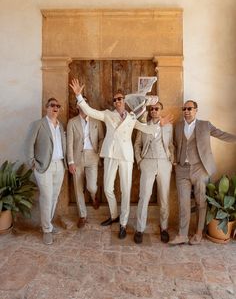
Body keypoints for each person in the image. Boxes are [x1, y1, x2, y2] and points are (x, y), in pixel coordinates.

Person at [70, 78, 173, 239]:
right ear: (113, 102)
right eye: (115, 99)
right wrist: (79, 96)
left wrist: (160, 124)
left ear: (124, 101)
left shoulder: (132, 117)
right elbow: (90, 111)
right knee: (107, 188)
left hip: (126, 156)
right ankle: (114, 215)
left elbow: (146, 129)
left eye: (120, 98)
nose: (117, 101)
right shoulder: (107, 114)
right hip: (111, 154)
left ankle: (123, 224)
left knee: (126, 190)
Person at [169, 100, 236, 245]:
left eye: (189, 108)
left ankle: (199, 233)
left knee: (201, 202)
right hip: (182, 169)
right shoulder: (178, 126)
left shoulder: (205, 125)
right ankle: (182, 234)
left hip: (200, 168)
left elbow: (221, 134)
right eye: (184, 109)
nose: (186, 111)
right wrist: (174, 160)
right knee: (183, 203)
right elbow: (173, 144)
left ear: (196, 110)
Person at [24, 98, 66, 245]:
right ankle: (46, 230)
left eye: (57, 105)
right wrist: (32, 162)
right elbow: (28, 144)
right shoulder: (38, 124)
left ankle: (48, 224)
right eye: (52, 105)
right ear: (46, 108)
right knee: (46, 197)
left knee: (54, 197)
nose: (55, 107)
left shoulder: (60, 126)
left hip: (59, 165)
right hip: (43, 166)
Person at [133, 102, 174, 244]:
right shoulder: (144, 125)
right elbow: (137, 144)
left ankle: (164, 228)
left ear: (161, 110)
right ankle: (139, 229)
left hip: (164, 162)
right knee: (144, 196)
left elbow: (170, 144)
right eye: (152, 109)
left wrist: (171, 161)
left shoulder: (168, 126)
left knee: (164, 197)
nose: (154, 111)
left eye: (157, 109)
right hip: (148, 162)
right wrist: (139, 161)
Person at [67, 98, 104, 228]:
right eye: (80, 103)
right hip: (77, 158)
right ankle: (82, 215)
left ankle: (93, 196)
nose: (83, 105)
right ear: (77, 106)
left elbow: (101, 139)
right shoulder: (72, 122)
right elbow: (69, 144)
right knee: (78, 188)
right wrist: (70, 161)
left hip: (92, 156)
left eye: (85, 103)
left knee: (91, 186)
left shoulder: (96, 121)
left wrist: (98, 155)